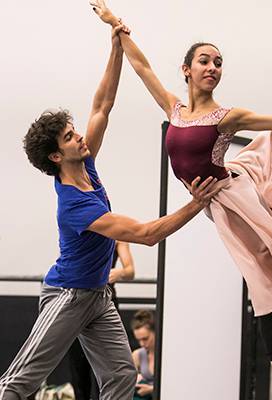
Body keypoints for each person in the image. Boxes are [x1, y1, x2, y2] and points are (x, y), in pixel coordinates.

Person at [90, 3, 272, 399]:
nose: (213, 67)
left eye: (219, 62)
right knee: (264, 148)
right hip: (227, 180)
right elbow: (141, 67)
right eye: (204, 61)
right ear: (187, 69)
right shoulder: (173, 107)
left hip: (230, 197)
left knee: (261, 278)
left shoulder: (227, 116)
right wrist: (115, 25)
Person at [0, 24, 220, 400]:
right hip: (67, 295)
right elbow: (148, 235)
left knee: (121, 378)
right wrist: (197, 202)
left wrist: (116, 46)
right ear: (56, 156)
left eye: (73, 131)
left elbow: (103, 104)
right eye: (70, 137)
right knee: (19, 383)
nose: (79, 137)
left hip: (98, 295)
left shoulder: (86, 165)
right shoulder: (75, 205)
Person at [68, 241, 135, 400]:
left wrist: (117, 273)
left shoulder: (117, 237)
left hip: (105, 300)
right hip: (79, 301)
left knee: (107, 365)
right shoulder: (82, 229)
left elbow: (130, 270)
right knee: (78, 365)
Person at [131, 310, 155, 400]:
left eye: (145, 339)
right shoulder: (137, 355)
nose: (142, 344)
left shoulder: (167, 355)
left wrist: (152, 389)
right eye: (138, 340)